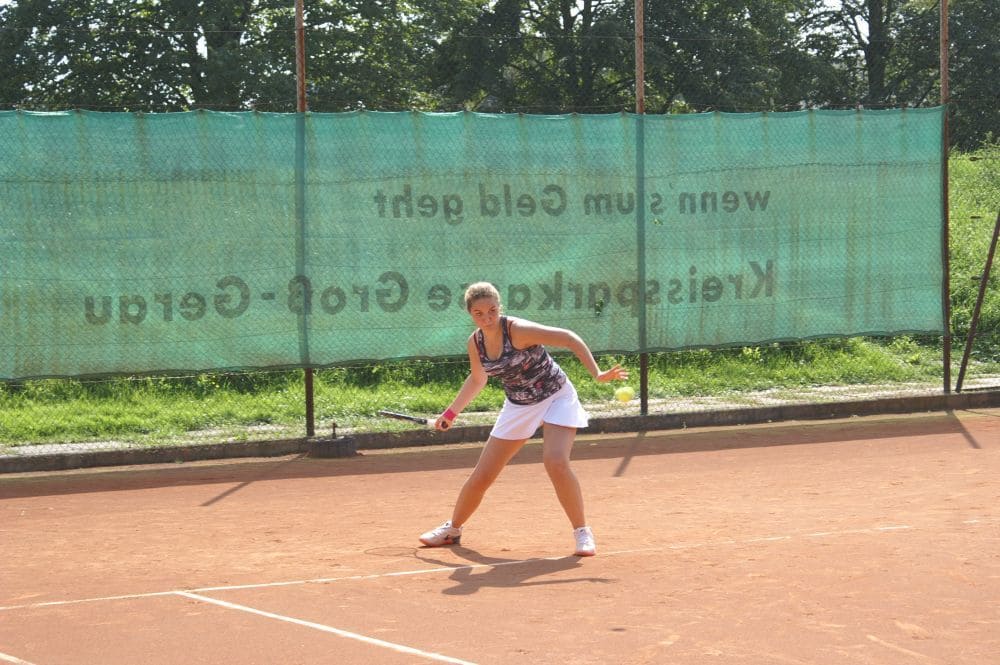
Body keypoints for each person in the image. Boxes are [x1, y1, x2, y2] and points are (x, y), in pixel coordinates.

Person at [419, 281, 629, 556]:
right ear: (471, 314)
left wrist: (597, 373)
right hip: (519, 405)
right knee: (483, 475)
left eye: (492, 310)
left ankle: (582, 531)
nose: (487, 317)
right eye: (479, 313)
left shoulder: (517, 330)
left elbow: (568, 337)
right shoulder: (476, 342)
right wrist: (450, 413)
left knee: (555, 461)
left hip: (556, 396)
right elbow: (477, 378)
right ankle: (453, 529)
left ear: (499, 307)